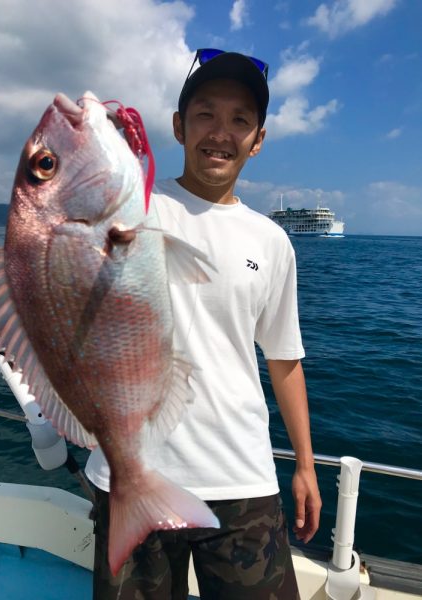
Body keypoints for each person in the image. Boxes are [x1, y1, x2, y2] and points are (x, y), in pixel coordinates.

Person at [85, 48, 322, 599]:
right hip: (130, 473)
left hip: (241, 478)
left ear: (258, 139)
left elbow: (284, 360)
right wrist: (101, 136)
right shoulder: (133, 206)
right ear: (178, 126)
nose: (222, 131)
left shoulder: (272, 241)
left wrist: (306, 465)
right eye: (206, 114)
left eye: (241, 119)